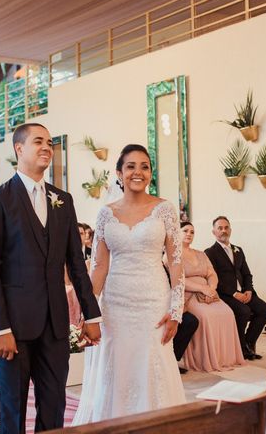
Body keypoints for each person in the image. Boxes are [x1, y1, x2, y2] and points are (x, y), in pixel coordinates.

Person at [0, 122, 101, 433]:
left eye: (50, 142)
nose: (47, 147)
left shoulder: (63, 200)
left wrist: (91, 314)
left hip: (56, 325)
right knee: (12, 405)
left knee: (54, 403)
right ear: (19, 149)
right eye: (38, 142)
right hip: (14, 326)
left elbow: (76, 261)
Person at [73, 144, 186, 424]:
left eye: (144, 166)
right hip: (115, 303)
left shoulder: (165, 210)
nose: (138, 172)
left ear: (150, 173)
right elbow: (99, 266)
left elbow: (175, 262)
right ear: (119, 174)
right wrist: (90, 311)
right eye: (131, 166)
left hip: (154, 300)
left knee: (154, 362)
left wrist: (176, 310)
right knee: (118, 365)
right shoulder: (105, 214)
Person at [205, 216, 266, 360]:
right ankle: (240, 348)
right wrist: (234, 293)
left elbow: (247, 274)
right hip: (226, 294)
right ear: (213, 232)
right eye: (220, 228)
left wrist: (248, 290)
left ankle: (247, 343)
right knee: (244, 311)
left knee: (265, 310)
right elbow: (214, 278)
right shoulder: (210, 252)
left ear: (230, 229)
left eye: (226, 227)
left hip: (245, 292)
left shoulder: (238, 250)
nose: (224, 231)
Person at [179, 221, 244, 372]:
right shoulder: (172, 254)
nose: (189, 234)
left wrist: (211, 289)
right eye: (185, 231)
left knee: (227, 313)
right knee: (207, 316)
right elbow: (178, 279)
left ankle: (226, 358)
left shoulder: (200, 254)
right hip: (188, 295)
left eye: (192, 232)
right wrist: (202, 288)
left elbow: (212, 274)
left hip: (209, 293)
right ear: (177, 233)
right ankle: (206, 359)